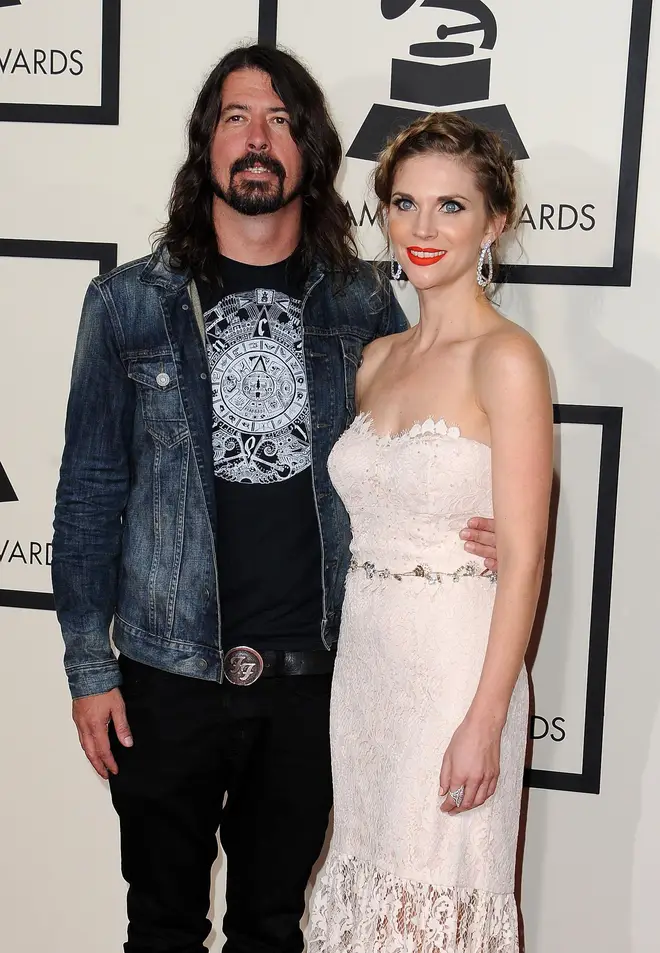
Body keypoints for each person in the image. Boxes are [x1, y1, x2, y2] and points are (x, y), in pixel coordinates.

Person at [51, 47, 499, 953]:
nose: (258, 140)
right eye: (235, 118)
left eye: (282, 121)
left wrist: (481, 527)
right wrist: (88, 664)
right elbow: (90, 489)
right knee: (161, 927)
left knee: (273, 926)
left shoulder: (365, 303)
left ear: (313, 151)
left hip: (316, 677)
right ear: (205, 147)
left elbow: (424, 429)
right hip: (166, 673)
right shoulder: (127, 305)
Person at [307, 112, 553, 953]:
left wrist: (485, 717)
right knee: (367, 895)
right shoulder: (378, 359)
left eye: (451, 207)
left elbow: (522, 558)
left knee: (435, 911)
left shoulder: (509, 359)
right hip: (368, 670)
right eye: (404, 203)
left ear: (496, 221)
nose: (422, 227)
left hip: (457, 673)